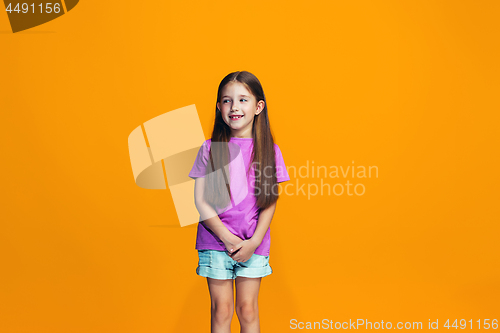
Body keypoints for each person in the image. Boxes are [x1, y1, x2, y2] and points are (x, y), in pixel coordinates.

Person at [188, 71, 290, 332]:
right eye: (227, 100)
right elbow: (201, 201)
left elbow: (269, 201)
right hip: (215, 242)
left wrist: (254, 241)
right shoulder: (210, 148)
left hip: (253, 243)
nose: (234, 107)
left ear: (258, 107)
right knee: (221, 311)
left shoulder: (269, 150)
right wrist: (226, 237)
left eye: (243, 100)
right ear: (219, 107)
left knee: (247, 309)